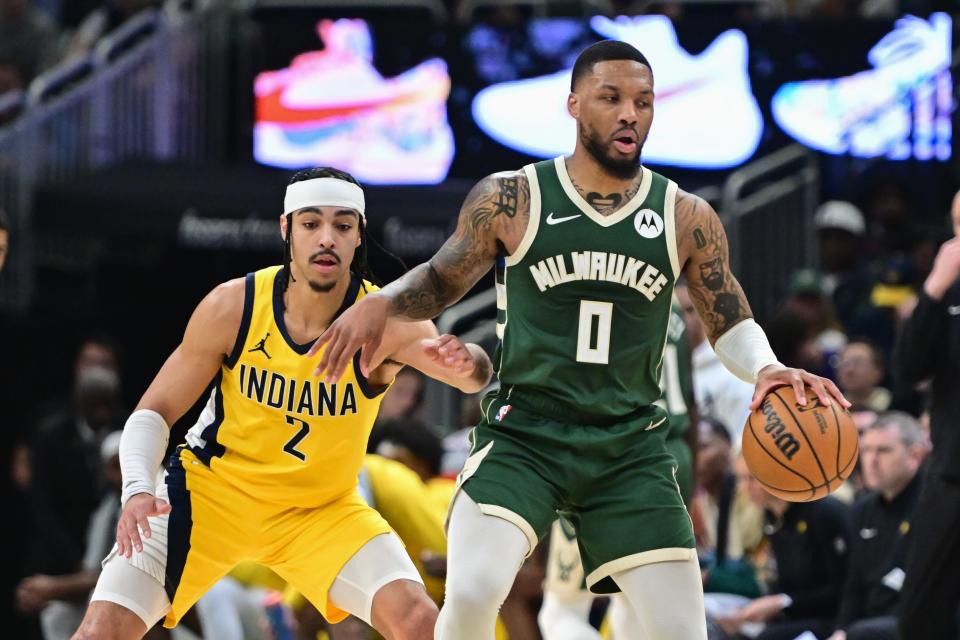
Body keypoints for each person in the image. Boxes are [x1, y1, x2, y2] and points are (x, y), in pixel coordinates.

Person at [311, 41, 848, 640]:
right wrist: (381, 303)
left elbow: (728, 317)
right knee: (469, 596)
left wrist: (768, 366)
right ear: (572, 104)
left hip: (628, 447)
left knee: (683, 633)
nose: (630, 114)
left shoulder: (685, 215)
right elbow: (441, 280)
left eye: (643, 102)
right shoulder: (512, 198)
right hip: (526, 435)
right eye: (611, 98)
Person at [70, 167, 494, 640]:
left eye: (342, 225)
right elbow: (154, 412)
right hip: (208, 496)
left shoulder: (388, 320)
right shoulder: (234, 306)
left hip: (320, 510)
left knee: (419, 622)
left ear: (359, 237)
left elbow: (469, 373)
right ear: (286, 229)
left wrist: (468, 362)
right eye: (311, 224)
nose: (327, 238)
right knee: (100, 632)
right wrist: (136, 490)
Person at [894, 189, 960, 639]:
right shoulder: (946, 292)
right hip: (951, 474)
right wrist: (934, 288)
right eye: (957, 225)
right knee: (918, 618)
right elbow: (908, 369)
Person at [827, 412, 925, 640]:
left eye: (883, 450)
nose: (871, 461)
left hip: (919, 619)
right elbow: (854, 585)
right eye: (866, 450)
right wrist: (840, 630)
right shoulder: (862, 510)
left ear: (915, 455)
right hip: (871, 621)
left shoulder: (932, 506)